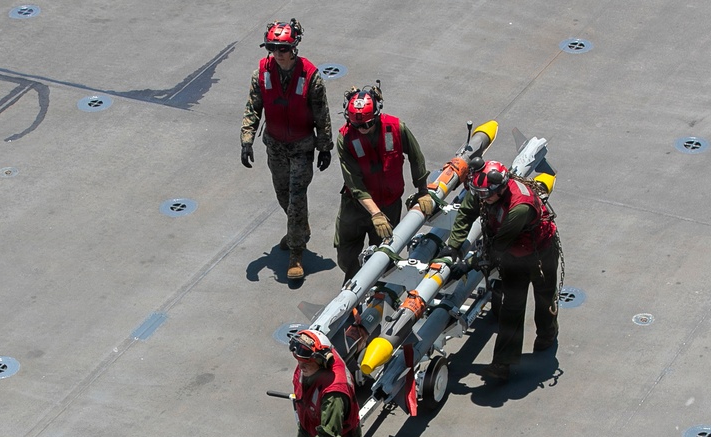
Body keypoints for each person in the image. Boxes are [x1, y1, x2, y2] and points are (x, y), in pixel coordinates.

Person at [443, 160, 560, 383]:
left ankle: (547, 335)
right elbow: (467, 212)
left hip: (539, 254)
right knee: (511, 308)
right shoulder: (484, 189)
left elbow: (498, 246)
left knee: (545, 297)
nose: (482, 199)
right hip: (513, 257)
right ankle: (502, 364)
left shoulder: (520, 207)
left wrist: (468, 265)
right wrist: (454, 246)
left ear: (501, 188)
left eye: (486, 195)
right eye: (479, 194)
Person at [240, 19, 333, 281]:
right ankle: (299, 228)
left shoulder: (311, 76)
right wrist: (247, 139)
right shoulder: (262, 72)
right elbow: (253, 107)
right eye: (273, 48)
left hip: (302, 148)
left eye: (283, 49)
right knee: (283, 195)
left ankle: (296, 254)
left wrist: (324, 147)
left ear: (294, 48)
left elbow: (321, 114)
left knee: (296, 198)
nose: (278, 54)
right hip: (275, 147)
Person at [334, 83, 433, 282]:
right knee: (346, 259)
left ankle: (369, 292)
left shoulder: (397, 128)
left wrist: (423, 190)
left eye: (367, 124)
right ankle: (354, 282)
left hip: (388, 204)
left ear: (378, 114)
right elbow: (354, 183)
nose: (363, 129)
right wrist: (375, 213)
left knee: (382, 257)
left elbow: (416, 158)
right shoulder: (345, 139)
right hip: (356, 207)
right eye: (357, 125)